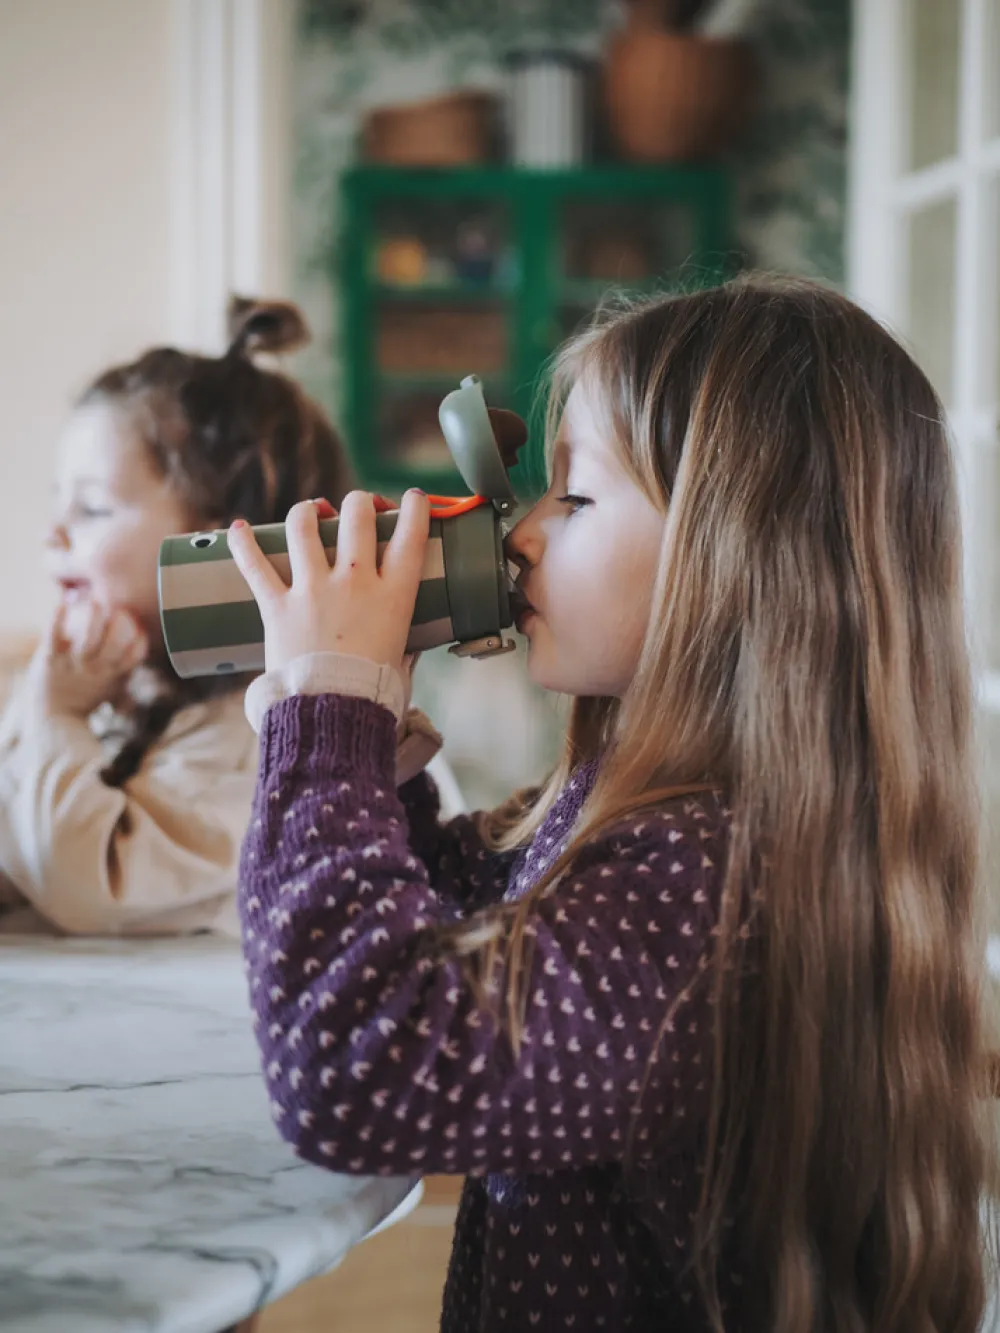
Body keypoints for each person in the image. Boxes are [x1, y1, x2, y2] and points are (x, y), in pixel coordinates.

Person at [227, 276, 997, 1332]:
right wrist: (366, 744)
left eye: (574, 498)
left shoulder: (709, 879)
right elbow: (444, 923)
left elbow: (355, 1073)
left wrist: (328, 720)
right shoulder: (658, 808)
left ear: (737, 553)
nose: (522, 535)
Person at [0, 297, 356, 935]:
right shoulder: (105, 687)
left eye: (92, 509)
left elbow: (92, 886)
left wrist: (55, 715)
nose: (53, 534)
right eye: (59, 504)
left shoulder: (260, 738)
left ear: (220, 544)